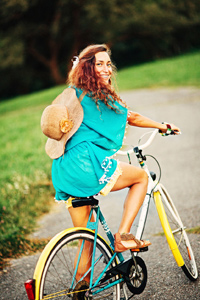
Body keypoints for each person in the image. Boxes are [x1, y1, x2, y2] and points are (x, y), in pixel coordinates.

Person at [41, 44, 180, 255]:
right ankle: (123, 237)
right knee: (141, 177)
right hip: (84, 165)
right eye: (100, 64)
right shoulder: (96, 96)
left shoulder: (73, 93)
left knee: (86, 239)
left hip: (63, 169)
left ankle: (80, 287)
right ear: (88, 68)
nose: (107, 69)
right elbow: (131, 117)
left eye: (108, 64)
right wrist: (162, 125)